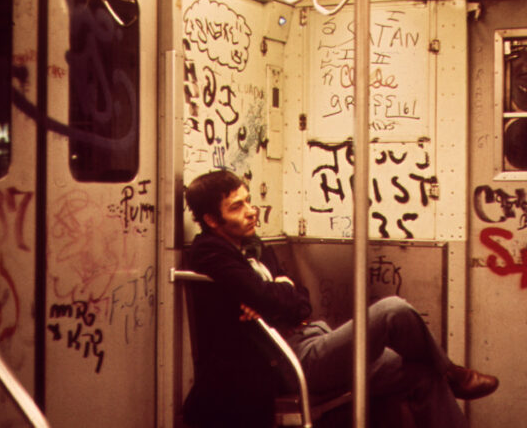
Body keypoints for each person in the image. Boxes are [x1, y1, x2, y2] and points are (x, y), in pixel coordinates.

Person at [182, 170, 499, 427]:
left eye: (249, 201)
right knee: (393, 311)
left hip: (312, 335)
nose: (251, 212)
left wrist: (277, 296)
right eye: (236, 207)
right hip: (289, 360)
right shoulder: (210, 252)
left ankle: (444, 374)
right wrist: (278, 292)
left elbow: (301, 301)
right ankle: (454, 373)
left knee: (420, 373)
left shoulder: (255, 246)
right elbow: (267, 296)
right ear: (211, 220)